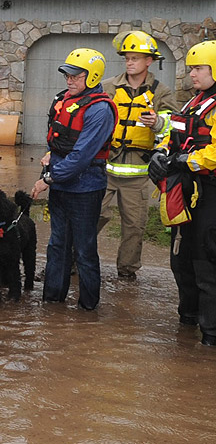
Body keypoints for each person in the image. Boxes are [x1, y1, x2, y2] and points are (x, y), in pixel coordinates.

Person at [31, 48, 117, 311]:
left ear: (91, 78)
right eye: (67, 75)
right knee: (57, 245)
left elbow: (81, 156)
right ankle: (52, 301)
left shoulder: (100, 110)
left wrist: (48, 179)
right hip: (61, 185)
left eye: (75, 76)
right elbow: (61, 140)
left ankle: (88, 307)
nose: (69, 80)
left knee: (84, 250)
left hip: (85, 188)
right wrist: (50, 157)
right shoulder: (65, 100)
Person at [148, 40, 216, 345]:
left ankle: (211, 335)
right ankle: (186, 324)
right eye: (191, 68)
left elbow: (212, 153)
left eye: (199, 68)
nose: (192, 74)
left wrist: (184, 160)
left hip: (210, 194)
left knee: (206, 263)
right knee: (181, 260)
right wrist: (161, 153)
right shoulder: (193, 102)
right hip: (186, 192)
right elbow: (173, 133)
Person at [97, 31, 177, 280]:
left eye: (135, 58)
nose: (129, 62)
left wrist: (157, 124)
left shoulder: (161, 92)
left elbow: (175, 129)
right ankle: (75, 263)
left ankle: (127, 274)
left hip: (138, 174)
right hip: (105, 169)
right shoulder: (108, 86)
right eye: (127, 58)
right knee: (92, 217)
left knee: (134, 227)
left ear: (149, 61)